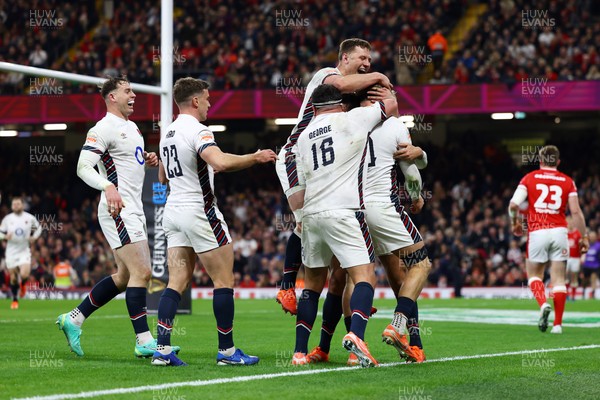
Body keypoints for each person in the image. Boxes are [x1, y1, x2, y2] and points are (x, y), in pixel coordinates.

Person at [152, 77, 277, 366]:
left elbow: (163, 177)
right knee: (223, 280)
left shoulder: (168, 132)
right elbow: (219, 162)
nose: (210, 104)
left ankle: (162, 350)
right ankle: (228, 352)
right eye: (207, 99)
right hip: (199, 210)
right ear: (195, 101)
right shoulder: (199, 130)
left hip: (173, 212)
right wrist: (254, 157)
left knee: (176, 281)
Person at [305, 89, 430, 365]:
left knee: (351, 278)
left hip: (351, 209)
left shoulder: (347, 122)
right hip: (383, 205)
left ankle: (354, 348)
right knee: (420, 265)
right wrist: (417, 192)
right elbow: (411, 172)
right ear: (382, 99)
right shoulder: (394, 124)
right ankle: (398, 325)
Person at [56, 76, 173, 358]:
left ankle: (74, 319)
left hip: (133, 208)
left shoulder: (131, 127)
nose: (134, 94)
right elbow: (83, 167)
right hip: (117, 209)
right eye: (127, 90)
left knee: (123, 277)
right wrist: (107, 186)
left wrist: (146, 159)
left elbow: (122, 162)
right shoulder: (102, 128)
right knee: (142, 272)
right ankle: (144, 341)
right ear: (112, 97)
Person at [275, 38, 393, 315]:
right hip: (295, 156)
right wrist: (380, 77)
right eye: (362, 58)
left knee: (323, 225)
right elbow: (340, 86)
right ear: (344, 58)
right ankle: (286, 286)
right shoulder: (327, 76)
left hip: (321, 165)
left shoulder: (351, 100)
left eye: (370, 61)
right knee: (305, 220)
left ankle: (355, 292)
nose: (366, 64)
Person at [291, 84, 397, 367]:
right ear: (340, 104)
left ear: (313, 108)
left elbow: (298, 191)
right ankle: (357, 337)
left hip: (311, 213)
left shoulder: (302, 138)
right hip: (344, 210)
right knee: (364, 276)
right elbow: (392, 105)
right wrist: (379, 81)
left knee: (312, 286)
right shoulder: (351, 118)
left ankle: (299, 352)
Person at [509, 145, 589, 334]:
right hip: (560, 232)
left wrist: (515, 223)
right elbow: (576, 212)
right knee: (559, 280)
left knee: (534, 275)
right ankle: (558, 325)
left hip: (537, 231)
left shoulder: (529, 178)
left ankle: (543, 304)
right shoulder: (567, 181)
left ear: (540, 160)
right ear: (558, 162)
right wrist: (584, 236)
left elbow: (513, 204)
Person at [0, 197, 42, 309]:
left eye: (18, 204)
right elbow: (0, 232)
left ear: (22, 205)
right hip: (11, 251)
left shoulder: (29, 217)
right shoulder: (7, 219)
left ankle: (23, 284)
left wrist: (34, 237)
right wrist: (4, 236)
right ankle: (14, 299)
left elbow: (39, 228)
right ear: (11, 206)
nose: (16, 206)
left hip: (24, 250)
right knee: (13, 278)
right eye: (14, 204)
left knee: (24, 274)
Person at [566, 216, 582, 300]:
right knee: (566, 276)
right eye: (568, 222)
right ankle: (567, 294)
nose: (570, 224)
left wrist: (582, 256)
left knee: (574, 276)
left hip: (575, 258)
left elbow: (581, 246)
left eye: (571, 222)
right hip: (566, 258)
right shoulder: (564, 233)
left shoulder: (577, 233)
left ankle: (573, 296)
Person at [582, 230, 599, 298]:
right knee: (585, 281)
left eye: (593, 236)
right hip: (586, 265)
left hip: (595, 266)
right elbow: (582, 255)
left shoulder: (598, 245)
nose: (592, 237)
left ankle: (593, 293)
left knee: (593, 278)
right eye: (591, 236)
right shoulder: (585, 245)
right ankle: (583, 292)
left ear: (596, 237)